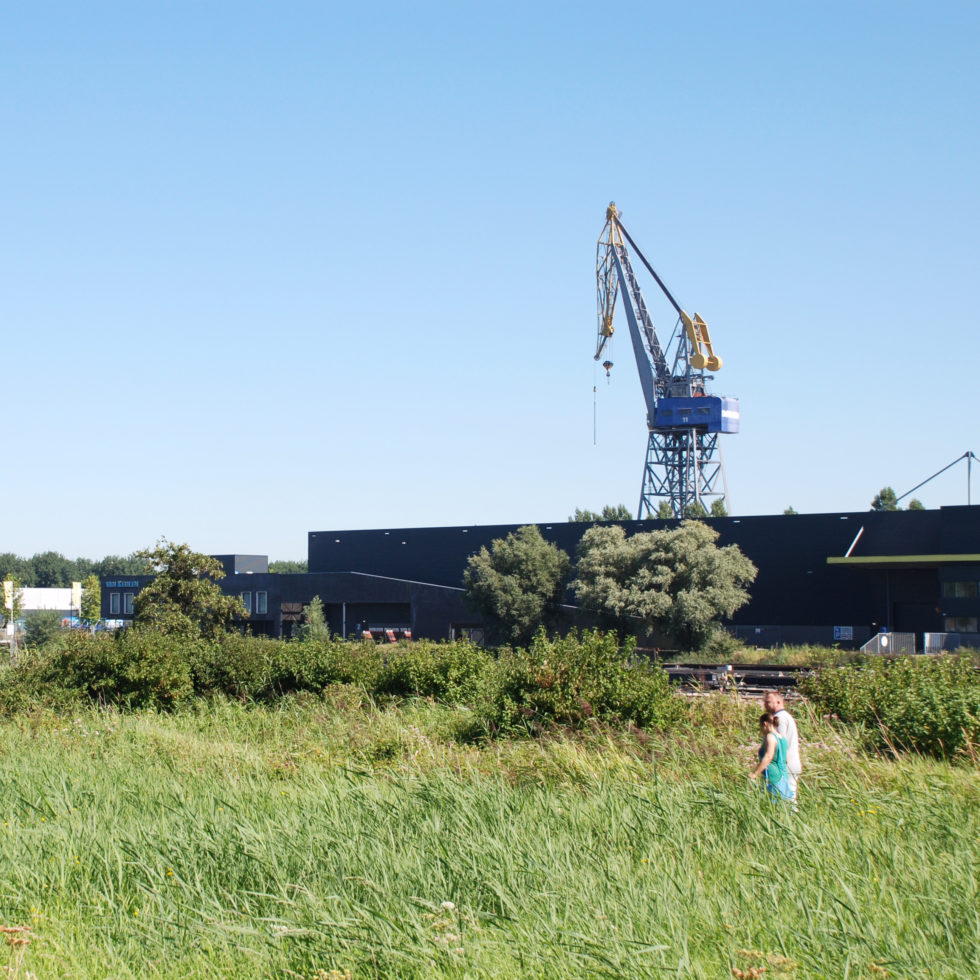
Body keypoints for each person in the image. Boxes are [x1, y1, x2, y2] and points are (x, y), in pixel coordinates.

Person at [764, 691, 801, 798]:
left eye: (768, 702)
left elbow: (779, 743)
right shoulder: (786, 716)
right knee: (789, 798)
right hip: (791, 763)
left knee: (784, 799)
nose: (766, 705)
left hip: (785, 765)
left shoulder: (780, 718)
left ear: (778, 702)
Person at [749, 711, 793, 800]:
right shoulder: (782, 738)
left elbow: (768, 757)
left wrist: (755, 773)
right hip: (783, 775)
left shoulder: (770, 737)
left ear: (765, 724)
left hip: (773, 777)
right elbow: (786, 758)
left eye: (760, 727)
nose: (761, 730)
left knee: (772, 805)